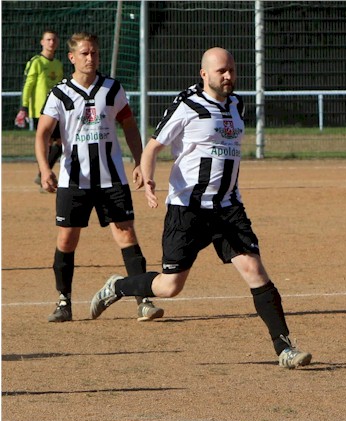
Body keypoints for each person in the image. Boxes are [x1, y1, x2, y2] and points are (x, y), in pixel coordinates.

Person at [89, 47, 312, 369]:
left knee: (255, 270)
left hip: (228, 208)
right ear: (204, 74)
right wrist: (148, 179)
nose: (229, 76)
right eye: (221, 71)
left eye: (232, 69)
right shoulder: (187, 104)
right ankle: (118, 286)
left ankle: (285, 349)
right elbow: (152, 147)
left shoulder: (237, 104)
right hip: (188, 210)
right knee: (170, 286)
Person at [35, 31, 165, 323]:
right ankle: (64, 301)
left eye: (94, 52)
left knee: (127, 234)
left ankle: (143, 300)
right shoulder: (59, 93)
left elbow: (129, 125)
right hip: (74, 180)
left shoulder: (112, 88)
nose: (90, 58)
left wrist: (139, 162)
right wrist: (45, 168)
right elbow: (42, 133)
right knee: (67, 239)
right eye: (84, 53)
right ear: (72, 57)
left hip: (112, 178)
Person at [17, 29, 65, 189]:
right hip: (40, 110)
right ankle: (45, 176)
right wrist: (24, 106)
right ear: (42, 42)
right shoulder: (36, 62)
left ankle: (43, 174)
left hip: (57, 109)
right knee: (47, 141)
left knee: (61, 142)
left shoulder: (58, 64)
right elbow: (28, 84)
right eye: (48, 39)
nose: (51, 42)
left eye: (54, 40)